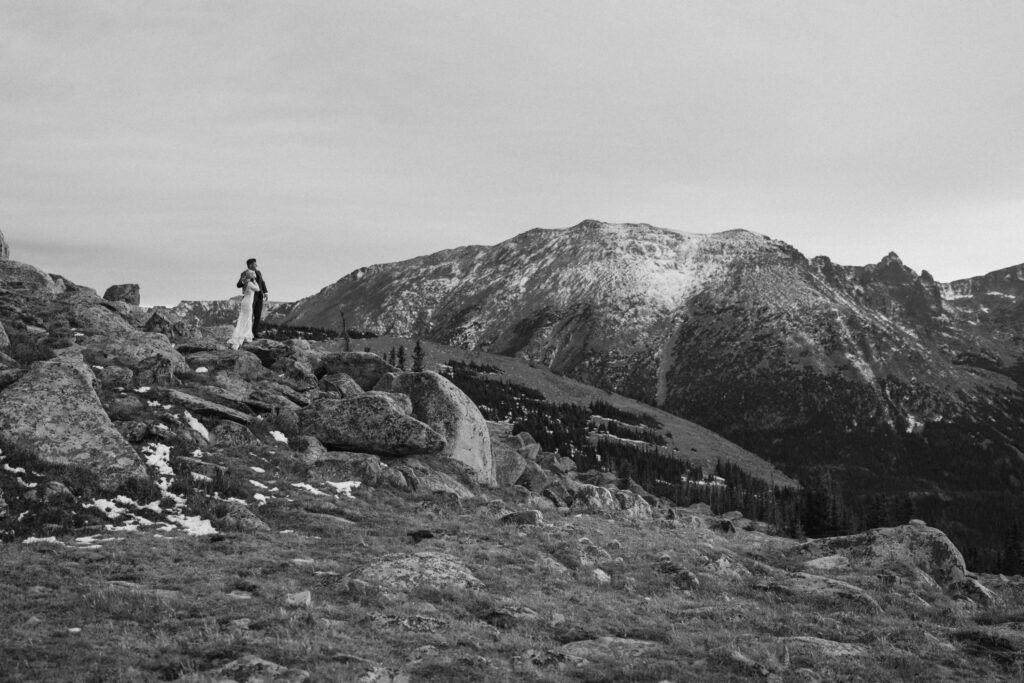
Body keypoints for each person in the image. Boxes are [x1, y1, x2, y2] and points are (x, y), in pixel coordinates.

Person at [236, 258, 269, 339]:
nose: (256, 265)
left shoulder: (258, 272)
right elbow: (238, 284)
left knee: (257, 316)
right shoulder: (244, 273)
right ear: (250, 265)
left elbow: (262, 282)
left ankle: (255, 333)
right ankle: (248, 333)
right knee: (249, 315)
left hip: (259, 297)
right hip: (250, 297)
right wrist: (246, 281)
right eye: (255, 264)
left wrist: (265, 292)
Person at [228, 271, 261, 350]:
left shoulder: (246, 283)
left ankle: (247, 336)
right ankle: (242, 337)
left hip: (244, 301)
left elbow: (243, 292)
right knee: (247, 319)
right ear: (251, 276)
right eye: (254, 275)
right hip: (248, 302)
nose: (255, 276)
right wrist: (255, 281)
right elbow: (258, 289)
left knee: (245, 318)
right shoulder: (250, 283)